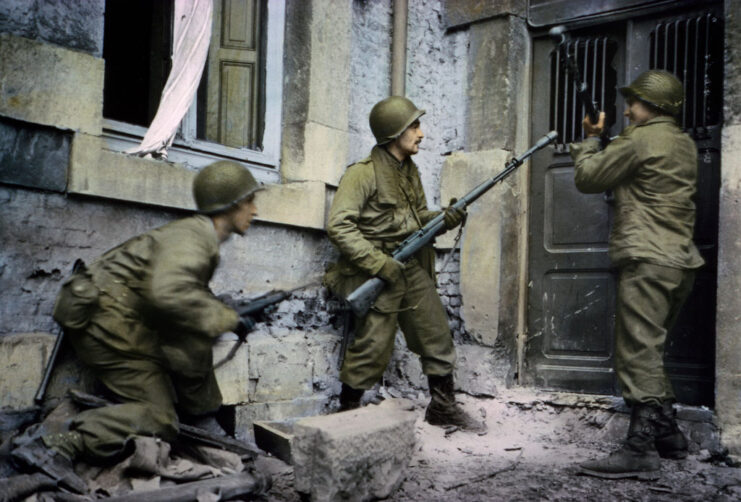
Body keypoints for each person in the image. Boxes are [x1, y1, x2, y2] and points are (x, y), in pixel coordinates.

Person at [12, 160, 262, 493]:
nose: (256, 211)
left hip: (122, 320)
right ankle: (55, 445)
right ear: (230, 205)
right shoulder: (194, 239)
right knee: (160, 420)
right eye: (250, 201)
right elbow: (168, 295)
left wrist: (227, 313)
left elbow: (183, 298)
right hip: (106, 324)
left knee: (191, 338)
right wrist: (226, 318)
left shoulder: (196, 236)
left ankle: (204, 422)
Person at [570, 70, 704, 479]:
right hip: (679, 262)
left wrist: (593, 139)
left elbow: (588, 177)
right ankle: (669, 436)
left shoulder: (641, 139)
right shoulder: (683, 143)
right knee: (651, 349)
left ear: (656, 107)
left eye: (635, 103)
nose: (627, 110)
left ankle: (638, 450)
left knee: (638, 352)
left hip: (646, 259)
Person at [324, 96, 485, 433]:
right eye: (414, 126)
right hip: (377, 270)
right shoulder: (361, 174)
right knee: (373, 346)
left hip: (410, 267)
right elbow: (339, 225)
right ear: (393, 133)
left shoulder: (408, 171)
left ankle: (442, 406)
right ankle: (346, 413)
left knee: (436, 334)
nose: (421, 133)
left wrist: (445, 217)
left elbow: (416, 220)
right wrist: (378, 264)